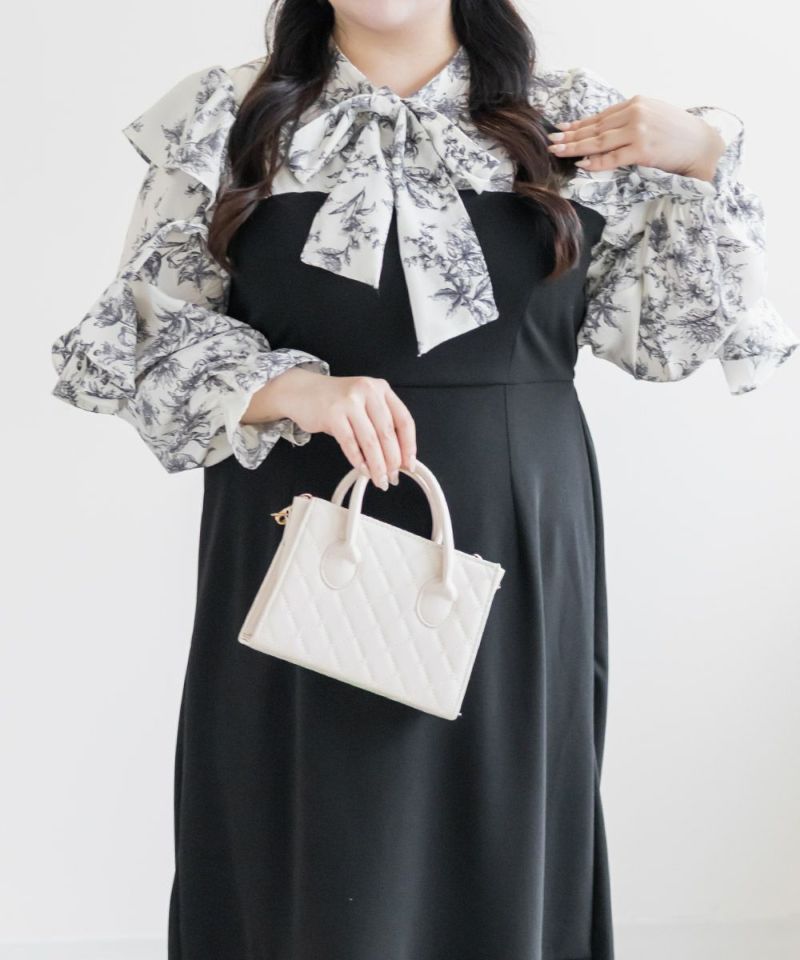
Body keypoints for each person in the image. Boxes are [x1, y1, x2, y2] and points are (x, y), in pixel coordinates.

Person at [49, 1, 799, 958]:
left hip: (514, 544)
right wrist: (291, 389)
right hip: (297, 546)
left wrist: (703, 153)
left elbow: (674, 336)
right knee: (306, 852)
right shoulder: (229, 112)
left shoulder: (575, 118)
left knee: (500, 845)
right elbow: (138, 333)